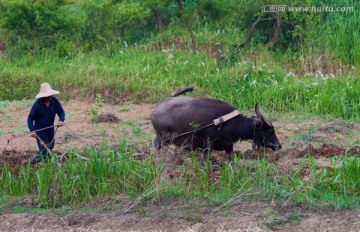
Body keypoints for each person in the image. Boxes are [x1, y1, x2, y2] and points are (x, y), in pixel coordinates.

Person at [27, 82, 65, 163]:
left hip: (50, 129)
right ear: (43, 96)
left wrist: (61, 120)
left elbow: (61, 112)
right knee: (45, 149)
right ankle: (44, 165)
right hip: (40, 131)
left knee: (51, 146)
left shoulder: (54, 101)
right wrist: (32, 130)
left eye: (49, 95)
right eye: (47, 96)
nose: (49, 97)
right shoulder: (37, 105)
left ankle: (36, 157)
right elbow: (30, 118)